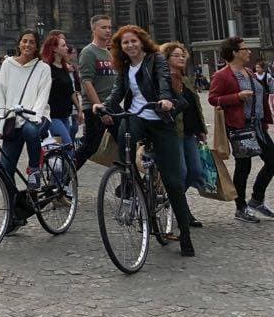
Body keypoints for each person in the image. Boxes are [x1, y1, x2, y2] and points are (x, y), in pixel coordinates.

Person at [97, 25, 195, 256]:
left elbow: (163, 82)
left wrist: (165, 100)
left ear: (141, 42)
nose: (130, 46)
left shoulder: (156, 59)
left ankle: (185, 234)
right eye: (125, 43)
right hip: (138, 116)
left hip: (161, 118)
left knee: (173, 181)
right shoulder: (124, 67)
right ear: (121, 47)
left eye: (133, 41)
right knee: (124, 138)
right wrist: (105, 106)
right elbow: (117, 92)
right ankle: (131, 183)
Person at [207, 36, 274, 223]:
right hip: (240, 126)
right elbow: (213, 99)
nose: (249, 51)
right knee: (244, 166)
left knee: (272, 160)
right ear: (235, 52)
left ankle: (256, 200)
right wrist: (237, 96)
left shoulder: (249, 72)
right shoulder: (222, 75)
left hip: (258, 125)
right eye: (245, 49)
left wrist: (265, 118)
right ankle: (241, 207)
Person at [0, 30, 51, 191]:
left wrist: (34, 117)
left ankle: (34, 170)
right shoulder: (7, 64)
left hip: (37, 117)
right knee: (5, 169)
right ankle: (15, 210)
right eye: (24, 41)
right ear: (19, 43)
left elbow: (42, 96)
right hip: (14, 120)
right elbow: (1, 95)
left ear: (36, 46)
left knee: (30, 131)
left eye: (32, 42)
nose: (27, 44)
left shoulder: (43, 68)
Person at [160, 41, 206, 227]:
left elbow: (195, 106)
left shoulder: (186, 78)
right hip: (173, 133)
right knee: (181, 172)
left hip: (189, 133)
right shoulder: (163, 80)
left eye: (183, 55)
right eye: (176, 55)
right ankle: (183, 211)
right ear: (167, 59)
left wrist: (201, 129)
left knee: (195, 171)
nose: (181, 58)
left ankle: (172, 199)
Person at [74, 14, 117, 169]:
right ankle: (63, 179)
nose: (108, 30)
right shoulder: (88, 52)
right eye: (103, 27)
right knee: (89, 147)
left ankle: (127, 184)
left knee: (127, 142)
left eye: (109, 27)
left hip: (112, 105)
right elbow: (86, 82)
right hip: (95, 107)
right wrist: (100, 108)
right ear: (94, 29)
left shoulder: (109, 53)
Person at [41, 32, 81, 150]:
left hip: (65, 114)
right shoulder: (47, 68)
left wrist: (79, 109)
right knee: (68, 145)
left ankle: (64, 168)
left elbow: (71, 92)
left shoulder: (64, 67)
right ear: (54, 49)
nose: (67, 48)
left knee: (63, 149)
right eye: (63, 46)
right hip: (52, 116)